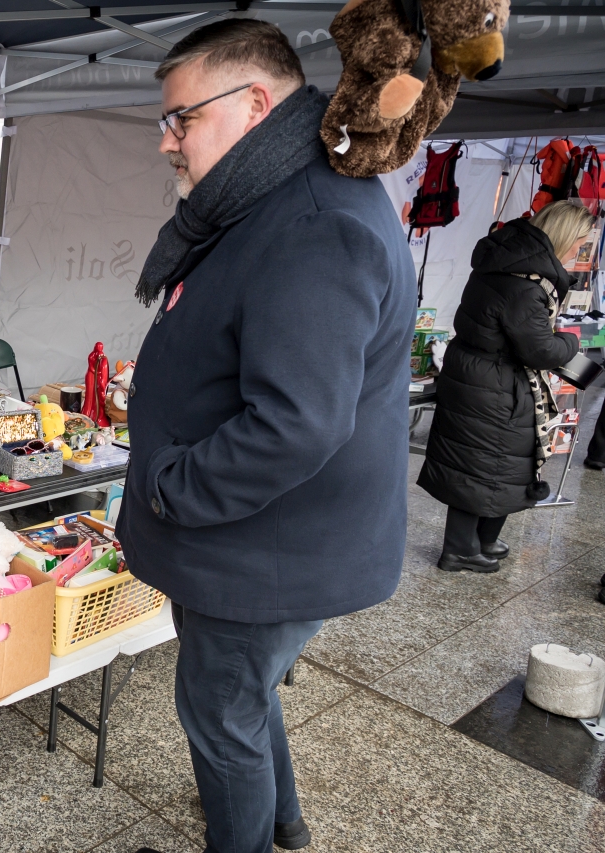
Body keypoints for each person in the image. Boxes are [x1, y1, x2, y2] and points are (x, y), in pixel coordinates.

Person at [116, 20, 415, 853]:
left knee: (219, 712)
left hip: (264, 544)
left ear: (254, 104)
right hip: (251, 535)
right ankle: (283, 821)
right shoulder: (270, 194)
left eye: (181, 118)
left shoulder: (315, 219)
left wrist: (171, 488)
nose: (166, 140)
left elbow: (296, 423)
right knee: (243, 696)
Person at [417, 201, 593, 572]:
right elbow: (540, 350)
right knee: (480, 466)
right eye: (579, 243)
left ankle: (482, 540)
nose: (579, 251)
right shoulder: (525, 285)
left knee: (492, 464)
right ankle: (460, 549)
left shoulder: (505, 261)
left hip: (481, 375)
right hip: (494, 382)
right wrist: (571, 341)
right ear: (563, 237)